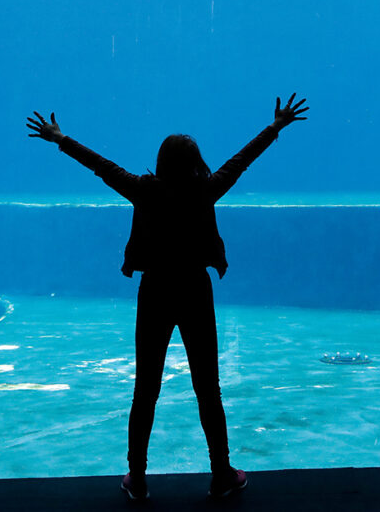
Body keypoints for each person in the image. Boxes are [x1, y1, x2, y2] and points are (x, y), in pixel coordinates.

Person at [26, 94, 308, 500]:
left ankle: (137, 478)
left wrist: (61, 138)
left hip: (155, 291)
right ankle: (222, 473)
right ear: (195, 163)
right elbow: (240, 161)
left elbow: (101, 167)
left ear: (160, 163)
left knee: (146, 389)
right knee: (208, 388)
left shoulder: (144, 190)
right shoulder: (205, 190)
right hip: (194, 290)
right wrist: (275, 127)